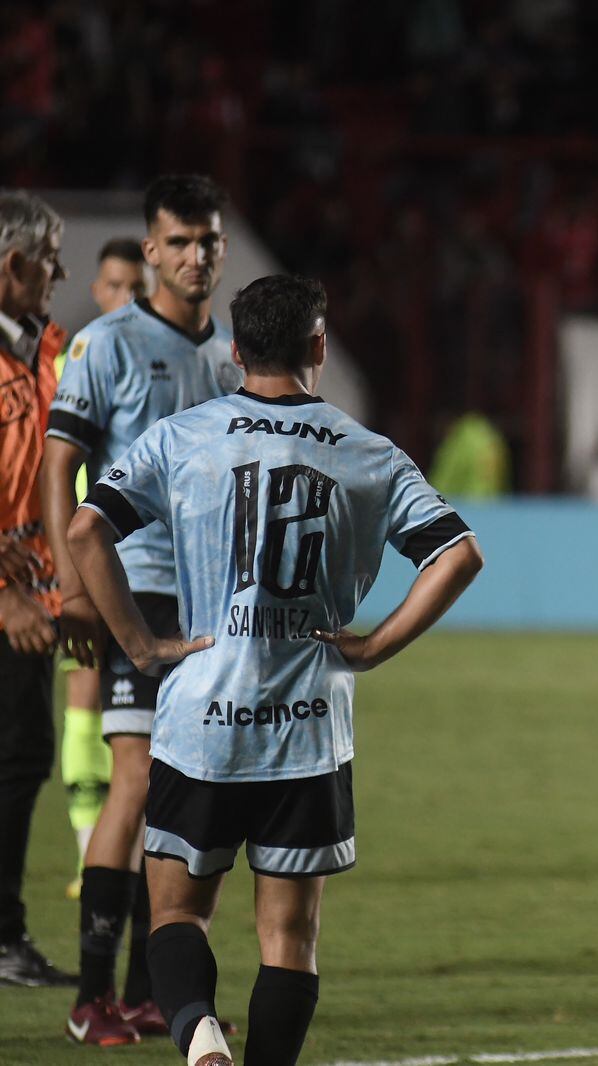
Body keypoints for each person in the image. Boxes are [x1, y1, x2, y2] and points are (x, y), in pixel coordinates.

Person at [67, 273, 484, 1066]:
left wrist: (144, 646)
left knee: (177, 916)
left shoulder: (183, 436)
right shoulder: (369, 454)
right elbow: (458, 554)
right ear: (319, 346)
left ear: (234, 350)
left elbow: (88, 531)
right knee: (289, 938)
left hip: (202, 725)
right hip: (309, 728)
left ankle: (198, 1036)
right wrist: (373, 645)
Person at [46, 175, 241, 1045]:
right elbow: (61, 469)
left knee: (185, 794)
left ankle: (149, 991)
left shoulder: (233, 356)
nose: (197, 256)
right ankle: (93, 999)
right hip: (131, 582)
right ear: (151, 250)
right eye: (181, 241)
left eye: (210, 241)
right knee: (135, 781)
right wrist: (74, 585)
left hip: (210, 600)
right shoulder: (107, 344)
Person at [0, 188, 76, 988]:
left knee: (22, 759)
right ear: (14, 264)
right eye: (49, 256)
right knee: (16, 759)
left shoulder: (43, 351)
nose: (60, 270)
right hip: (10, 603)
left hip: (36, 596)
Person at [60, 237, 149, 901]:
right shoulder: (83, 357)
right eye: (116, 286)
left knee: (126, 733)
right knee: (84, 697)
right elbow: (54, 463)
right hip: (83, 557)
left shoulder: (154, 356)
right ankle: (88, 843)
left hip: (133, 563)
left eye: (135, 287)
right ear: (99, 289)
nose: (126, 298)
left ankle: (102, 850)